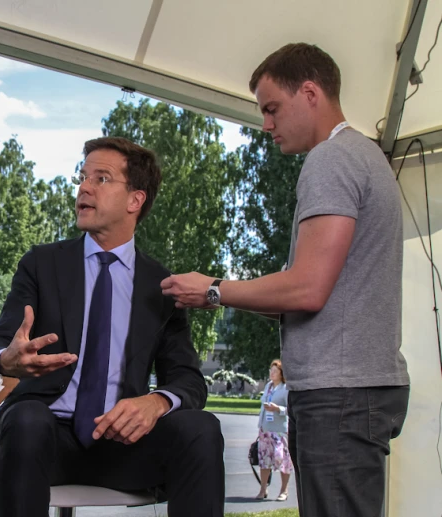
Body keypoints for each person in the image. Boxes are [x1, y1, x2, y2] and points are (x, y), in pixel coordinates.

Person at [161, 43, 410, 517]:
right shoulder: (366, 156)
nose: (266, 125)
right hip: (359, 388)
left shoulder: (331, 160)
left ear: (311, 92)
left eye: (272, 108)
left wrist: (213, 289)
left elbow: (306, 289)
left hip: (341, 391)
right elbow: (310, 293)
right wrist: (225, 295)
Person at [0, 136, 224, 517]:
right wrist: (5, 360)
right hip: (42, 438)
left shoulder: (160, 285)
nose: (84, 187)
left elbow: (189, 381)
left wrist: (156, 402)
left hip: (122, 445)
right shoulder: (42, 264)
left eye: (102, 178)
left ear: (134, 200)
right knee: (25, 419)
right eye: (83, 176)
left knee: (201, 429)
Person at [254, 359, 291, 501]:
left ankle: (284, 490)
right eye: (271, 370)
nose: (272, 373)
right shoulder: (268, 386)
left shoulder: (285, 388)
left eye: (275, 371)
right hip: (265, 430)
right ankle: (263, 489)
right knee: (264, 461)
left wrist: (278, 409)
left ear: (281, 374)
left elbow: (290, 409)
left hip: (279, 431)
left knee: (282, 459)